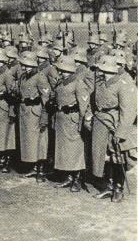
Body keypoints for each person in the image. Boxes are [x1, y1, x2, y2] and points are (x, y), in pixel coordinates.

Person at [90, 55, 137, 202]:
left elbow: (128, 111)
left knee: (118, 157)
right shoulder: (100, 83)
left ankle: (118, 187)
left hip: (115, 123)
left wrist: (121, 132)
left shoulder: (122, 84)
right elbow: (93, 102)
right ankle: (108, 186)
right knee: (102, 156)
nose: (99, 72)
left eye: (102, 69)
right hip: (100, 122)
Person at [53, 56, 90, 192]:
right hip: (61, 118)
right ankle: (68, 177)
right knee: (64, 149)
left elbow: (84, 105)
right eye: (60, 69)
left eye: (63, 69)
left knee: (76, 150)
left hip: (72, 119)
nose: (61, 71)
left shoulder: (78, 83)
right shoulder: (61, 82)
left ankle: (77, 179)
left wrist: (81, 123)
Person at [17, 51, 51, 183]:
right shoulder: (24, 76)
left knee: (39, 141)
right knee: (29, 141)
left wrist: (44, 115)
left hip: (35, 112)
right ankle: (33, 166)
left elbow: (46, 97)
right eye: (23, 64)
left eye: (27, 65)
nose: (24, 67)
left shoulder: (40, 77)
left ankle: (41, 170)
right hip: (25, 111)